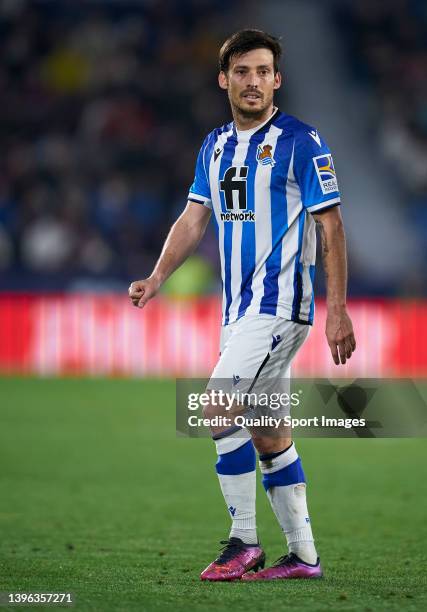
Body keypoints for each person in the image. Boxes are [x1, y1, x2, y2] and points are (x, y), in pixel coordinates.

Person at [128, 29, 356, 581]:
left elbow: (331, 224)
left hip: (278, 308)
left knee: (215, 405)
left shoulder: (302, 141)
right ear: (224, 79)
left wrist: (337, 309)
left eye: (262, 72)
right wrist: (159, 274)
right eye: (242, 72)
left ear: (277, 80)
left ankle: (243, 542)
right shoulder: (215, 146)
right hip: (238, 313)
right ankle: (303, 557)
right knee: (269, 433)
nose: (252, 82)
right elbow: (194, 217)